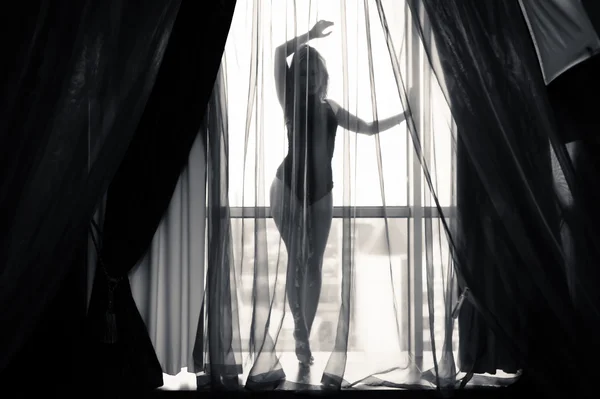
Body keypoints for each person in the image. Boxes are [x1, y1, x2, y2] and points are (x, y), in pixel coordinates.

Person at [270, 20, 409, 366]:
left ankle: (303, 332)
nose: (308, 77)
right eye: (302, 72)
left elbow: (369, 128)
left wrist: (406, 113)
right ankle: (299, 328)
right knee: (297, 258)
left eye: (314, 72)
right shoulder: (289, 101)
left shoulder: (331, 108)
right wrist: (310, 37)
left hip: (322, 192)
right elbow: (277, 54)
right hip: (286, 185)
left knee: (314, 263)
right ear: (296, 79)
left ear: (322, 77)